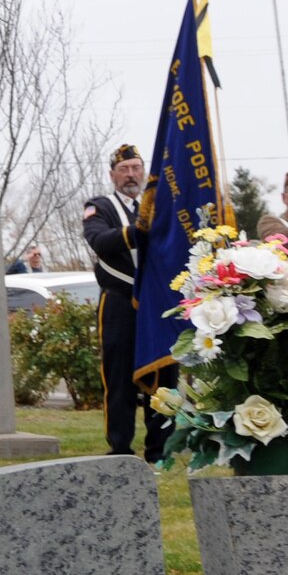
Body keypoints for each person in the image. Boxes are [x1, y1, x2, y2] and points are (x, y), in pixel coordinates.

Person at [83, 143, 172, 461]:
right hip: (119, 302)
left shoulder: (159, 205)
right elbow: (99, 240)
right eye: (124, 169)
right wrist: (138, 231)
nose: (131, 174)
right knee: (118, 377)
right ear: (112, 175)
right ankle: (119, 447)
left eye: (136, 167)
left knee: (163, 376)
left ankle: (161, 449)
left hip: (156, 305)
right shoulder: (100, 206)